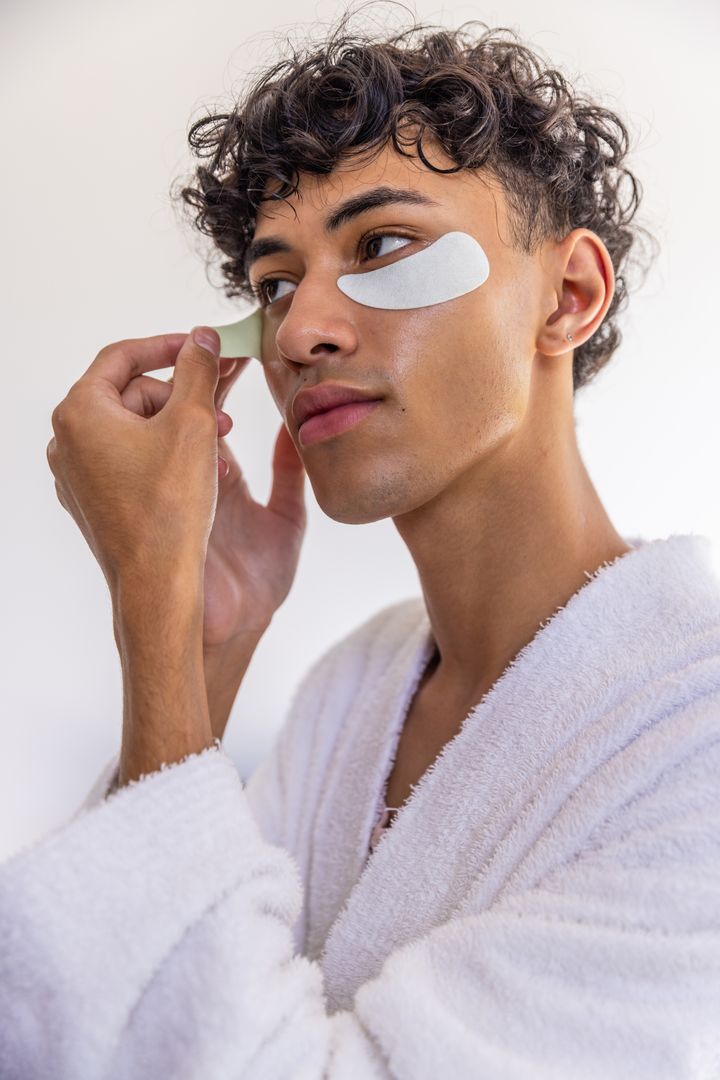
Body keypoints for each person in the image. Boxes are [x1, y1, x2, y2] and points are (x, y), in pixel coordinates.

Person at [1, 8, 719, 1077]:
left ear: (568, 296)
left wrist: (146, 596)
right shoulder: (357, 690)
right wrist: (203, 647)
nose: (297, 332)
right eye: (275, 282)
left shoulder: (695, 739)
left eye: (382, 246)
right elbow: (84, 1021)